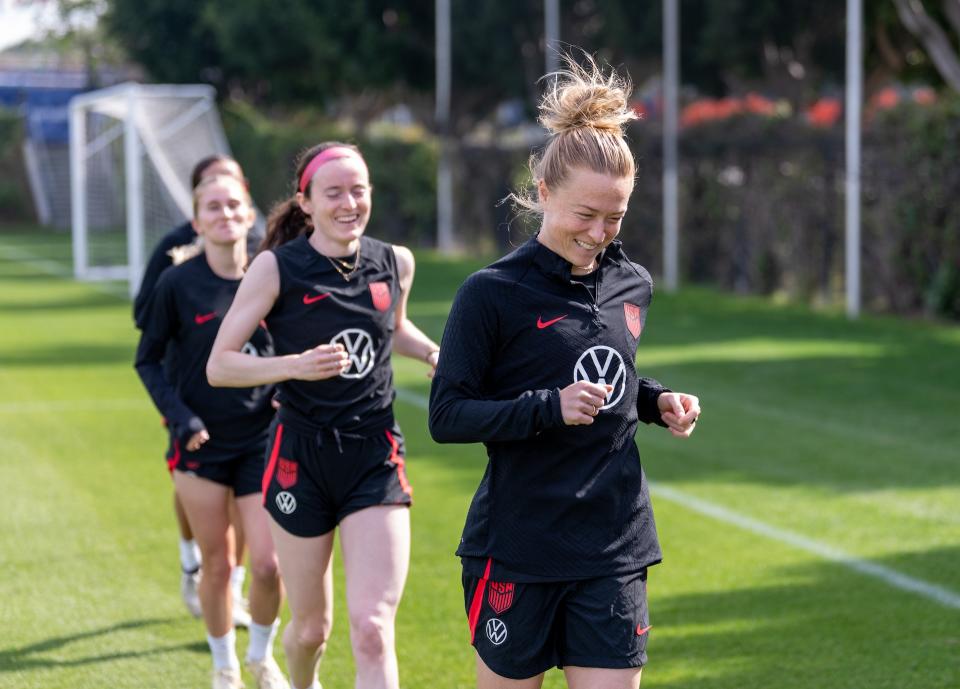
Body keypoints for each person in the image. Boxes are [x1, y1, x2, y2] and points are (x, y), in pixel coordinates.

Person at [428, 55, 701, 689]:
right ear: (544, 193)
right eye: (586, 215)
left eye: (616, 218)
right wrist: (547, 408)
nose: (600, 232)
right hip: (519, 547)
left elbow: (608, 373)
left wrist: (655, 401)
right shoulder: (490, 293)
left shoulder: (632, 284)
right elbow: (447, 415)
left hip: (614, 542)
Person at [206, 142, 441, 689]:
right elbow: (219, 365)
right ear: (306, 203)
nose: (349, 202)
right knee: (311, 629)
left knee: (373, 628)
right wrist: (296, 365)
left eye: (359, 190)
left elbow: (395, 329)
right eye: (333, 192)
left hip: (374, 456)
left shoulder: (395, 261)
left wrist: (431, 351)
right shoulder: (275, 268)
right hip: (300, 459)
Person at [135, 174, 287, 689]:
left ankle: (261, 657)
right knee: (218, 564)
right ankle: (223, 668)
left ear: (250, 216)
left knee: (267, 566)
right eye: (213, 208)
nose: (225, 215)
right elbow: (148, 360)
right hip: (199, 443)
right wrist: (182, 419)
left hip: (263, 440)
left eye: (234, 206)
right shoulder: (177, 284)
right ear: (197, 222)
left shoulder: (273, 274)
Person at [133, 154, 259, 627]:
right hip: (186, 382)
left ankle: (234, 586)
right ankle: (196, 563)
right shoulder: (174, 256)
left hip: (252, 413)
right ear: (195, 211)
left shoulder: (264, 257)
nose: (224, 211)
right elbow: (147, 323)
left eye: (232, 197)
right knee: (202, 490)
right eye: (210, 194)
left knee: (245, 504)